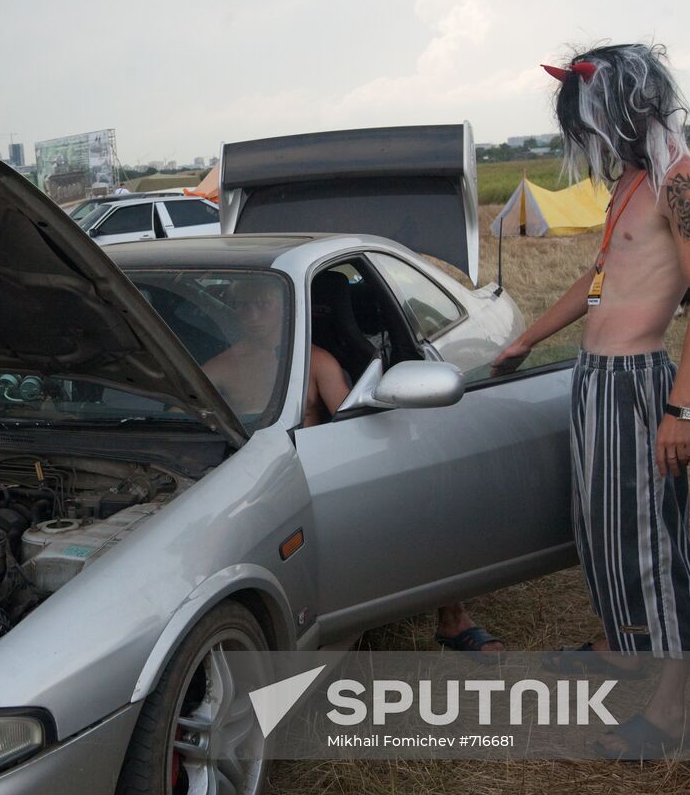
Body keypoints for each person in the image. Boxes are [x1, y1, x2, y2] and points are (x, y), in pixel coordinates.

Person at [494, 43, 690, 755]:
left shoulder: (683, 182)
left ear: (624, 108)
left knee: (651, 543)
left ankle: (671, 711)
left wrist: (680, 407)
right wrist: (528, 337)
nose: (586, 139)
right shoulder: (631, 182)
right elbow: (600, 281)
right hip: (594, 380)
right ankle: (625, 647)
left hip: (637, 386)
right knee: (598, 528)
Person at [204, 277, 505, 655]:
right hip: (242, 483)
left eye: (262, 304)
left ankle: (454, 619)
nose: (253, 315)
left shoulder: (315, 361)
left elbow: (354, 425)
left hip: (311, 478)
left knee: (428, 504)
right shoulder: (219, 368)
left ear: (285, 308)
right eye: (244, 306)